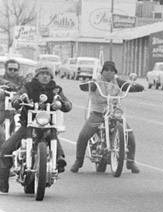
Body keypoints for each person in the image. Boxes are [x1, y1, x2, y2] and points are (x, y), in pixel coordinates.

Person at [0, 65, 71, 193]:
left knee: (53, 132)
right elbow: (18, 95)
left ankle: (59, 160)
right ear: (37, 76)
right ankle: (3, 185)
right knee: (5, 149)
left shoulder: (55, 90)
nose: (45, 76)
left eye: (47, 74)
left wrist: (63, 104)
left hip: (47, 125)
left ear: (51, 76)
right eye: (42, 73)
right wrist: (18, 100)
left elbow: (67, 103)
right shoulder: (28, 86)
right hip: (27, 124)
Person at [70, 60, 143, 174]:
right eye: (106, 70)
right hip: (98, 113)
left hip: (114, 112)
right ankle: (78, 161)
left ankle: (130, 162)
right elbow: (86, 87)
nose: (109, 73)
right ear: (102, 71)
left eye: (112, 70)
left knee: (130, 135)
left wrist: (136, 87)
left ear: (115, 72)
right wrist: (87, 86)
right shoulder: (96, 82)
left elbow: (127, 86)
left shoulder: (118, 81)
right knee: (84, 135)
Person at [0, 59, 26, 146]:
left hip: (18, 109)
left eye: (15, 70)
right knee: (2, 134)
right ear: (6, 69)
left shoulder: (23, 81)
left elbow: (27, 88)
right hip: (2, 110)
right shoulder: (1, 79)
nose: (12, 71)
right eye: (10, 69)